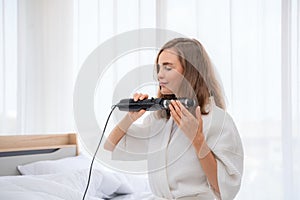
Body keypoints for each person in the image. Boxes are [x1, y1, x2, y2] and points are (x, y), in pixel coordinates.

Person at [104, 38, 244, 200]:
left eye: (168, 68)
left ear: (190, 72)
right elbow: (110, 147)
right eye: (158, 68)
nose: (159, 75)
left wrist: (197, 140)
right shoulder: (159, 118)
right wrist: (129, 118)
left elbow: (225, 189)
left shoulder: (218, 121)